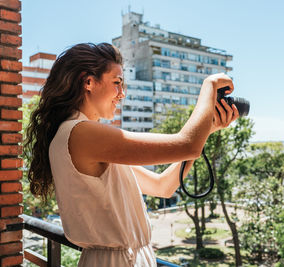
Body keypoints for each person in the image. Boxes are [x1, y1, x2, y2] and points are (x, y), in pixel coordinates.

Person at [25, 42, 239, 266]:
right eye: (117, 83)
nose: (122, 93)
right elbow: (187, 144)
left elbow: (163, 186)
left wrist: (207, 129)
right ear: (88, 82)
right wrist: (209, 85)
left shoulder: (79, 137)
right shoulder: (81, 134)